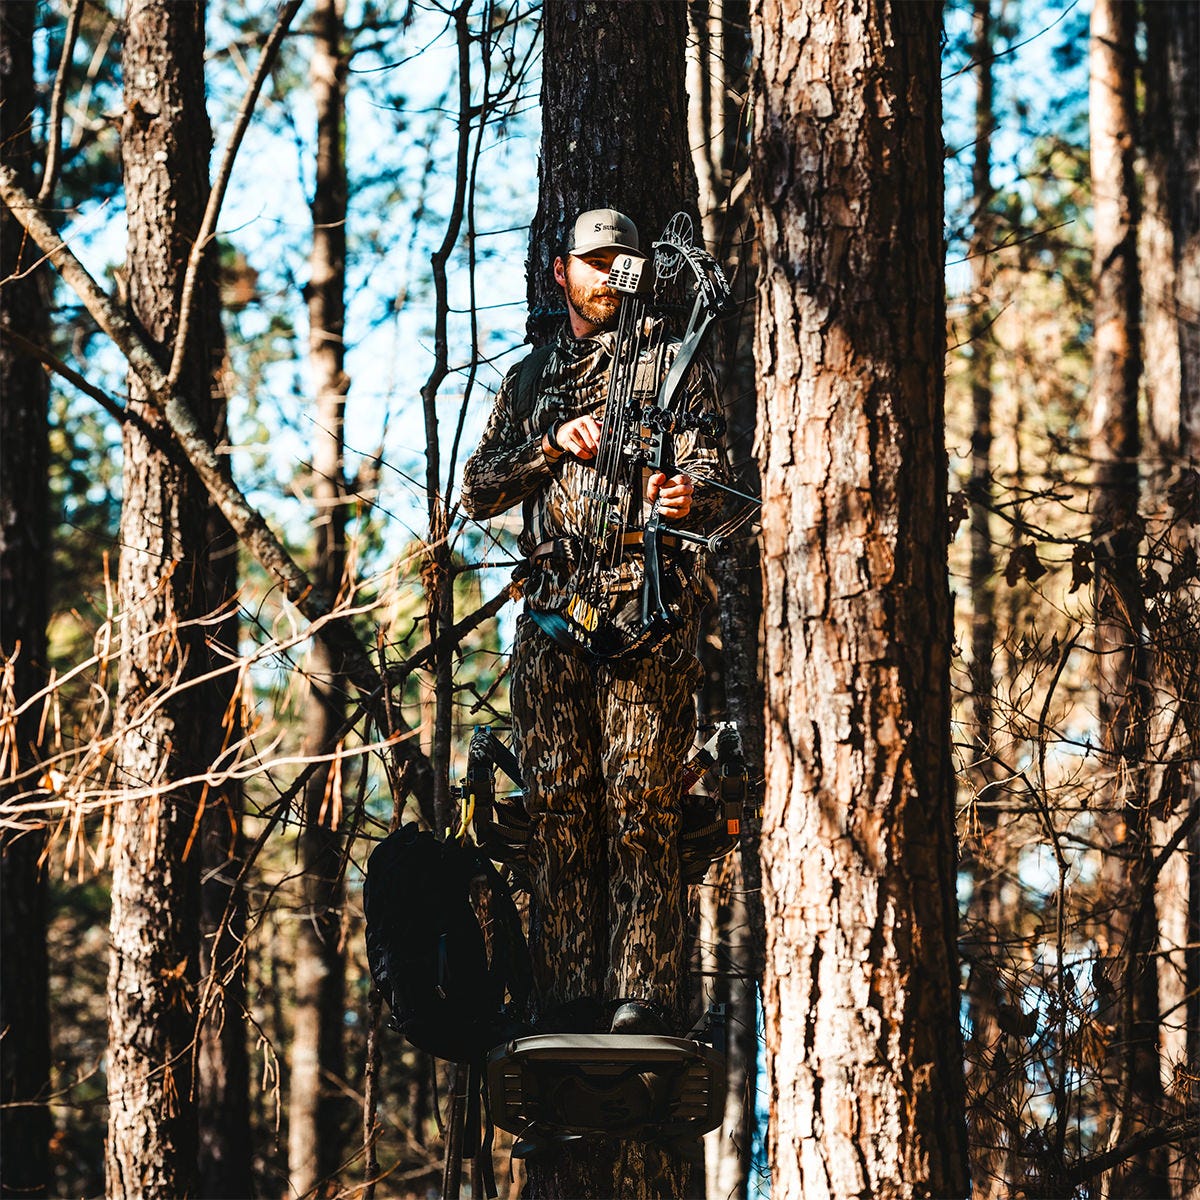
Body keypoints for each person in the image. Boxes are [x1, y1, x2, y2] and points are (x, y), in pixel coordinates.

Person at [461, 208, 726, 1035]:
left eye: (625, 260)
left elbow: (714, 472)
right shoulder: (532, 380)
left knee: (641, 802)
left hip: (645, 615)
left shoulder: (674, 368)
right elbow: (479, 490)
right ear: (562, 272)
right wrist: (550, 448)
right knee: (559, 807)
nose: (611, 273)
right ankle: (567, 997)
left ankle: (640, 1000)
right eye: (596, 260)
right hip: (551, 619)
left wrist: (687, 494)